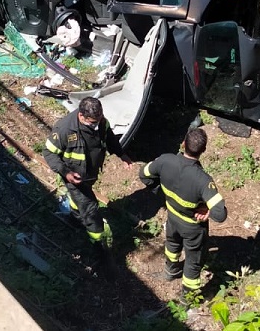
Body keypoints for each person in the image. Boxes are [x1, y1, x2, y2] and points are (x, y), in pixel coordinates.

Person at [139, 128, 226, 298]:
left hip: (172, 218)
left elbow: (143, 174)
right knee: (193, 262)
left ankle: (170, 272)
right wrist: (207, 211)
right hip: (193, 227)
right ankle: (187, 299)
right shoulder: (203, 180)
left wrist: (160, 192)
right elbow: (220, 214)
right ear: (203, 150)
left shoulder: (165, 160)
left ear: (183, 143)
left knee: (172, 244)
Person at [44, 97, 133, 249]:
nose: (96, 125)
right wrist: (66, 173)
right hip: (73, 176)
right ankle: (98, 245)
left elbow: (110, 138)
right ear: (81, 116)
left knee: (78, 202)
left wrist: (122, 154)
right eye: (92, 122)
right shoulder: (65, 129)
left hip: (90, 173)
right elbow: (48, 152)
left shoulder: (101, 122)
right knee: (91, 210)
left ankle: (74, 218)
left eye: (98, 121)